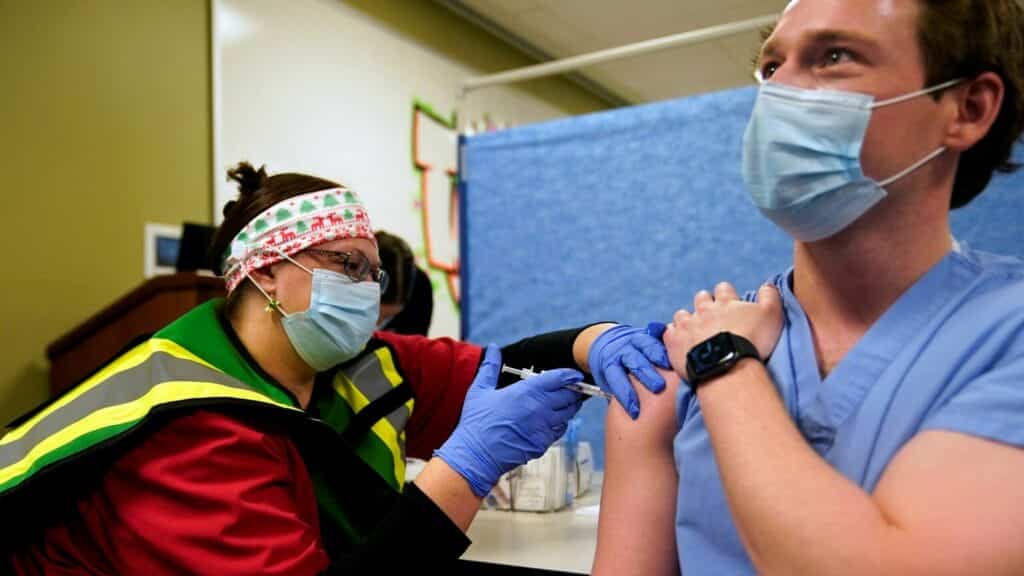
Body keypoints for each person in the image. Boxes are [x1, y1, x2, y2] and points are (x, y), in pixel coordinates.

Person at [0, 162, 668, 574]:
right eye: (346, 266)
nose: (369, 294)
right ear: (264, 271)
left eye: (374, 274)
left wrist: (595, 342)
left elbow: (499, 368)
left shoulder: (347, 359)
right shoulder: (192, 429)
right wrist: (464, 470)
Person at [594, 0, 1024, 575]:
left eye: (834, 58)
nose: (778, 94)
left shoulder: (1006, 333)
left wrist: (723, 365)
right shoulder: (663, 383)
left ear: (967, 108)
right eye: (771, 67)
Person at [374, 229, 434, 336]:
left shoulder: (420, 290)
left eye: (386, 317)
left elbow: (415, 347)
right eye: (372, 314)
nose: (376, 325)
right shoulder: (342, 280)